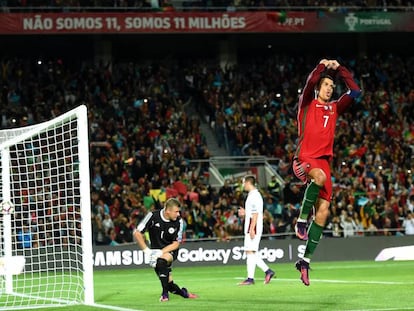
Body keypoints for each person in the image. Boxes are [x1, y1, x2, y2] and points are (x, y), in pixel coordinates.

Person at [292, 59, 361, 286]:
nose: (330, 88)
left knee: (323, 213)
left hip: (323, 163)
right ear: (318, 89)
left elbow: (356, 91)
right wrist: (321, 67)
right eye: (326, 85)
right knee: (319, 179)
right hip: (304, 159)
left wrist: (340, 69)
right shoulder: (306, 104)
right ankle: (301, 220)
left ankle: (305, 261)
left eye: (332, 86)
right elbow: (311, 81)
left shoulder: (334, 108)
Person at [133, 197, 199, 302]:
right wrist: (148, 252)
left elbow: (176, 243)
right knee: (170, 285)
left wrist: (160, 252)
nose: (178, 214)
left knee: (161, 261)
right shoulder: (152, 216)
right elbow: (137, 233)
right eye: (176, 212)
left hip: (170, 250)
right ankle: (184, 293)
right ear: (168, 211)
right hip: (154, 253)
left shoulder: (179, 222)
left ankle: (164, 294)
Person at [237, 175, 275, 285]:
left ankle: (257, 275)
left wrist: (252, 228)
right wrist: (245, 212)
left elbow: (256, 214)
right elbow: (253, 212)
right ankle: (255, 276)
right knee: (251, 252)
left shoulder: (254, 196)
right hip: (252, 226)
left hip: (253, 227)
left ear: (248, 183)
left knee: (250, 251)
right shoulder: (253, 195)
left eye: (244, 183)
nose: (243, 185)